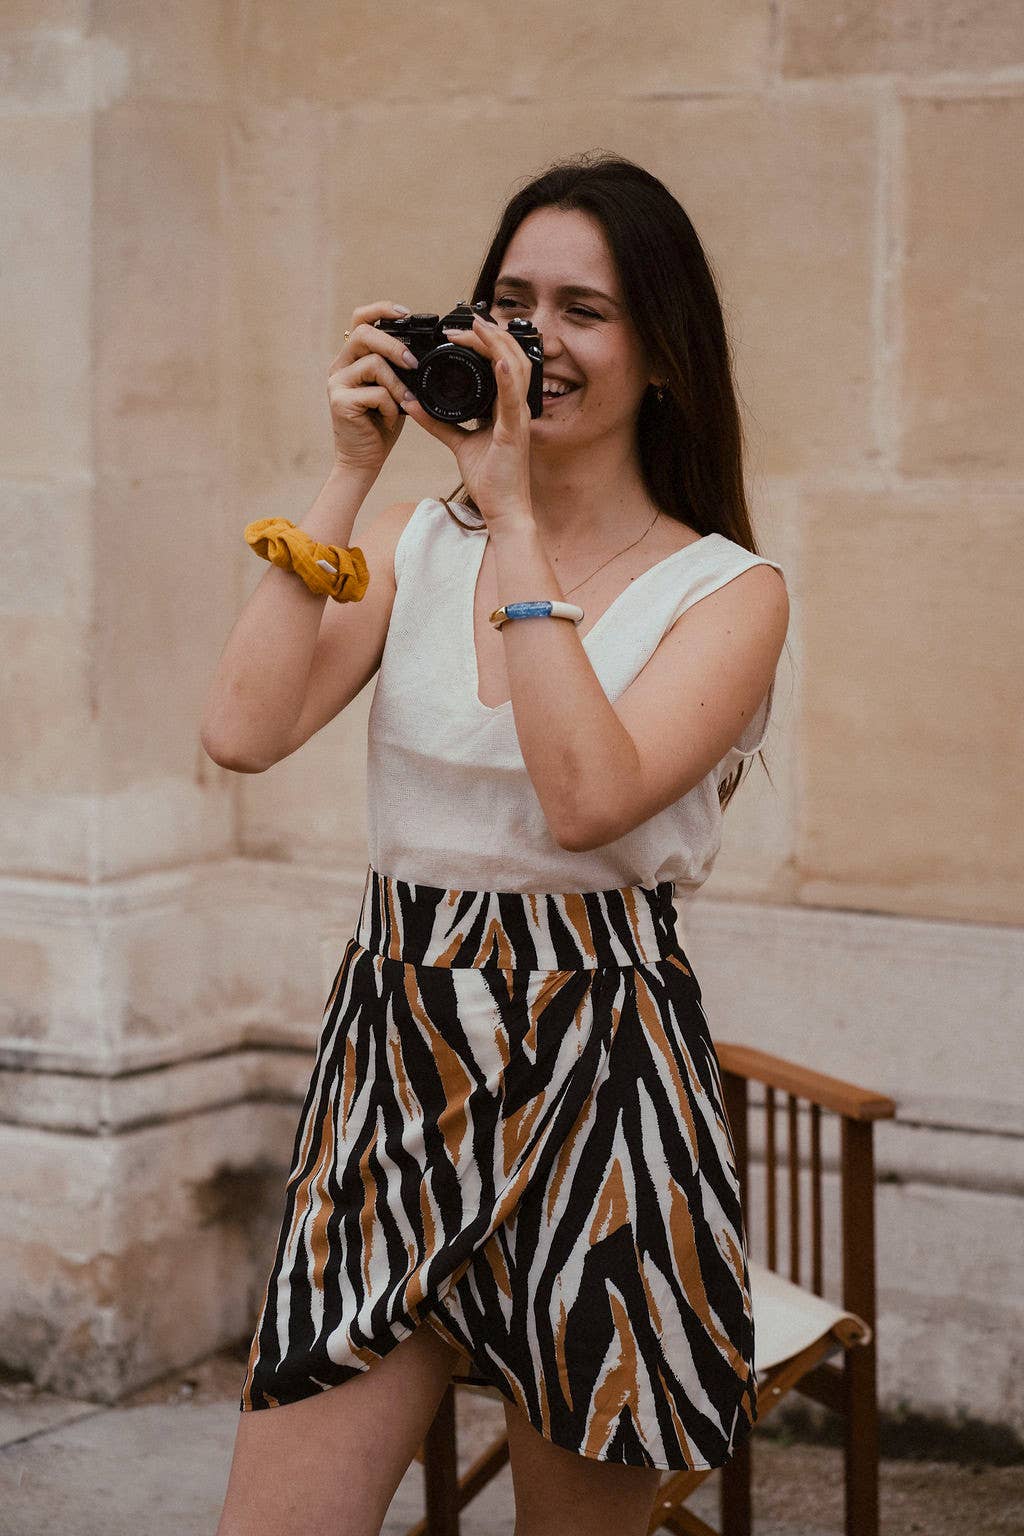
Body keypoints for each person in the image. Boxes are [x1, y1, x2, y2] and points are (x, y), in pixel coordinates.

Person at [202, 152, 790, 1536]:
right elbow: (240, 730)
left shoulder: (728, 591)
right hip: (392, 1067)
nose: (537, 341)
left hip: (607, 1083)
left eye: (585, 310)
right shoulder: (417, 543)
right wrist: (350, 474)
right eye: (512, 304)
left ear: (665, 355)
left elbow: (587, 799)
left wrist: (515, 514)